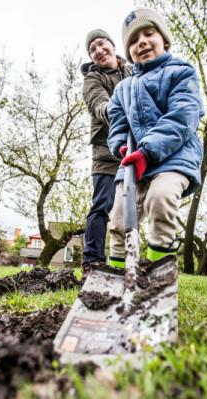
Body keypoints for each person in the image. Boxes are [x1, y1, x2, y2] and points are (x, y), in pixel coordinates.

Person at [106, 8, 204, 267]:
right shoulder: (122, 89)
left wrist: (147, 152)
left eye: (149, 34)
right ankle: (117, 276)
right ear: (128, 53)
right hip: (133, 163)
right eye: (134, 41)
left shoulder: (181, 73)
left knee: (159, 200)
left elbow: (183, 117)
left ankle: (156, 269)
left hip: (174, 157)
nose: (142, 42)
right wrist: (120, 148)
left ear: (165, 39)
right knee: (118, 219)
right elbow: (117, 123)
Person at [81, 29, 133, 269]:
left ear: (113, 45)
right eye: (92, 49)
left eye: (101, 44)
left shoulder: (132, 70)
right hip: (106, 151)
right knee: (102, 204)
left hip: (134, 149)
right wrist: (123, 113)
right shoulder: (93, 78)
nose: (98, 51)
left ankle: (130, 258)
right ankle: (92, 260)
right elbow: (99, 105)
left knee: (136, 204)